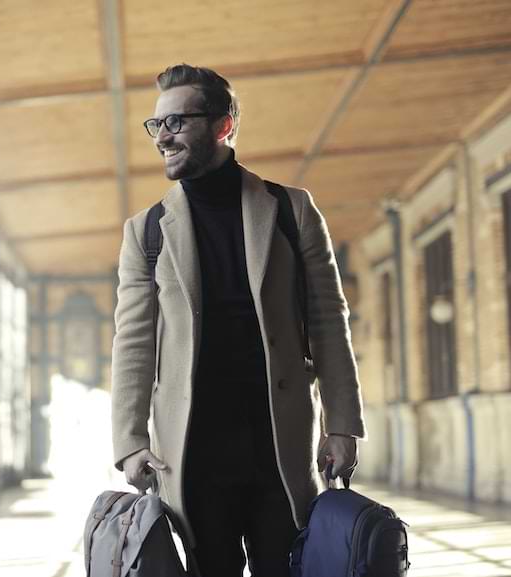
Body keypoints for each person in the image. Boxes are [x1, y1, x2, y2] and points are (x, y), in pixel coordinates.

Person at [110, 64, 366, 577]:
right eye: (156, 125)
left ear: (223, 126)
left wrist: (341, 424)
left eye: (176, 122)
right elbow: (132, 342)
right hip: (192, 450)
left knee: (284, 565)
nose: (162, 136)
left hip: (279, 442)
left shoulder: (291, 210)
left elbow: (328, 320)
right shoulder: (147, 232)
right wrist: (131, 441)